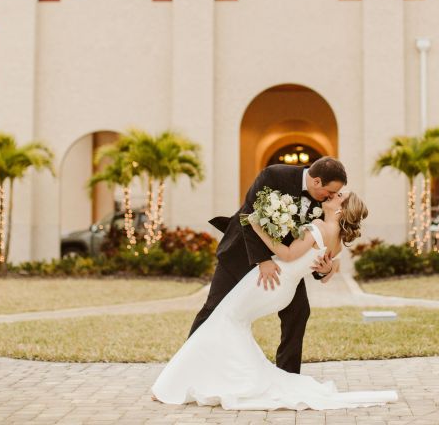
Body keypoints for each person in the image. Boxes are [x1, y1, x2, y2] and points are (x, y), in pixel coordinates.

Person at [152, 190, 397, 409]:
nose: (332, 195)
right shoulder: (338, 241)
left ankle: (183, 384)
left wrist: (257, 225)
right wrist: (327, 268)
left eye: (338, 197)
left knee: (225, 319)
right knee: (231, 323)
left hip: (271, 279)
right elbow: (326, 275)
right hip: (282, 289)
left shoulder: (320, 228)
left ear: (341, 209)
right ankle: (219, 378)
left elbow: (288, 254)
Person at [189, 157, 347, 376]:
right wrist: (263, 260)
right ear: (317, 181)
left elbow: (313, 246)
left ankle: (288, 376)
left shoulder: (322, 202)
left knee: (298, 312)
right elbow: (248, 216)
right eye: (329, 192)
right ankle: (188, 367)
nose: (330, 197)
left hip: (284, 264)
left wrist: (324, 270)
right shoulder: (274, 175)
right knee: (213, 307)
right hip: (242, 253)